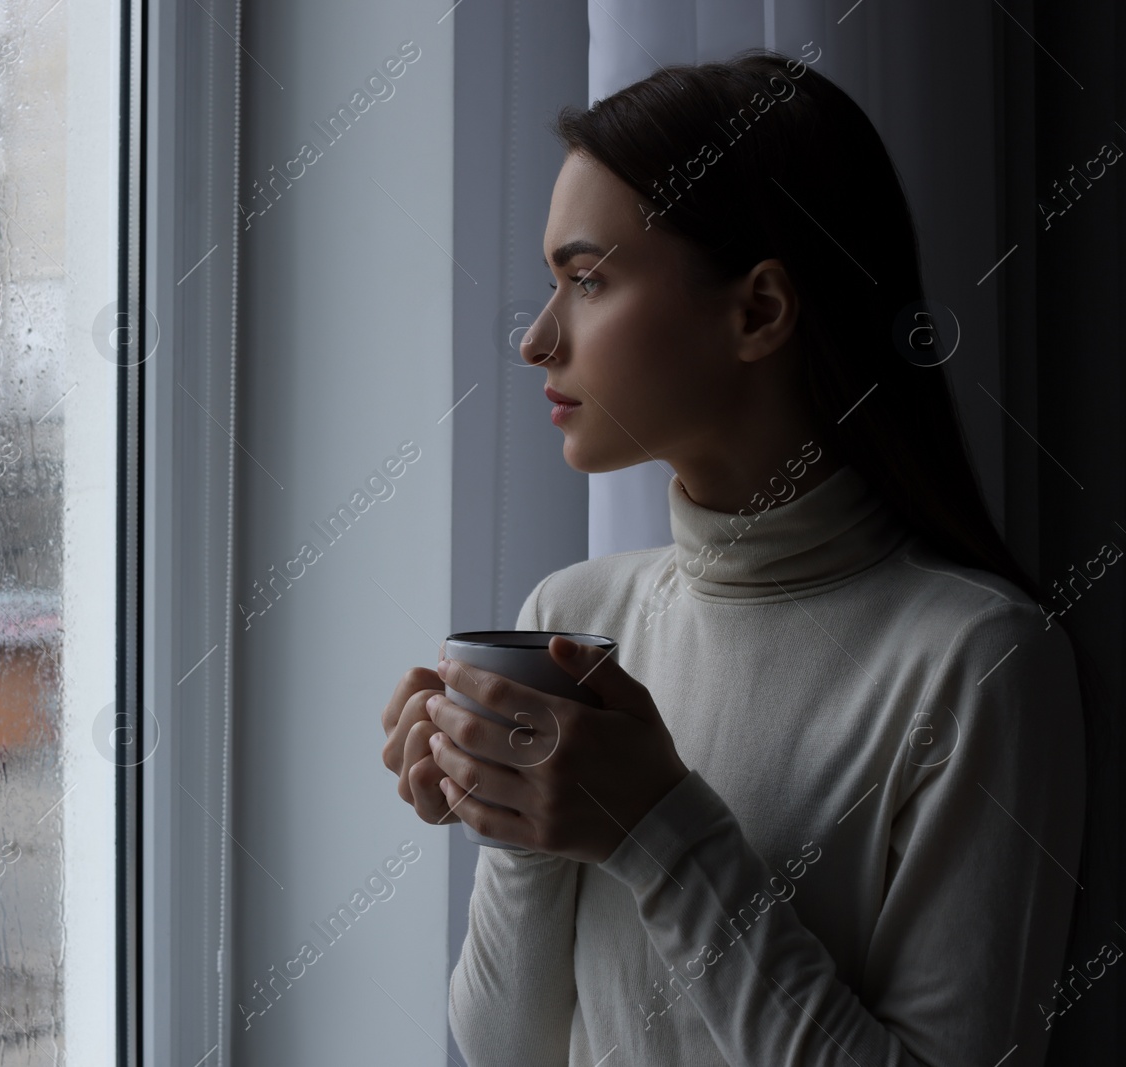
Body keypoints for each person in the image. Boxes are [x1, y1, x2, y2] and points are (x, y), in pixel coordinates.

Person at [379, 49, 1098, 1066]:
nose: (536, 337)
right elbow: (509, 1048)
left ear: (758, 310)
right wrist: (518, 812)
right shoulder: (572, 616)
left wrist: (652, 826)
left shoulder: (978, 662)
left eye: (586, 280)